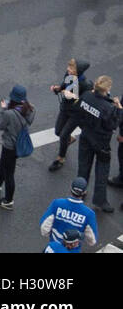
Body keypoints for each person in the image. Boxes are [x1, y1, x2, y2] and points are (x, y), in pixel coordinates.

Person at [61, 76, 121, 213]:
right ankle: (100, 201)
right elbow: (113, 124)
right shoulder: (108, 107)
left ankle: (80, 190)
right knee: (102, 171)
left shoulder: (87, 96)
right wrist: (119, 109)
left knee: (83, 166)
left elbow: (77, 111)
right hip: (101, 143)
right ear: (107, 89)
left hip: (86, 137)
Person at [0, 85, 34, 210]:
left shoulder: (9, 114)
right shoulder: (30, 109)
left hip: (9, 146)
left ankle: (8, 200)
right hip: (18, 145)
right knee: (4, 164)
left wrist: (3, 109)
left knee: (9, 173)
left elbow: (0, 125)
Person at [48, 58, 89, 172]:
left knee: (62, 135)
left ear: (78, 71)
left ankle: (61, 158)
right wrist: (58, 88)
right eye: (69, 67)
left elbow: (86, 100)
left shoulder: (84, 84)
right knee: (58, 132)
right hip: (65, 109)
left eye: (71, 68)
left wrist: (73, 96)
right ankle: (70, 139)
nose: (68, 69)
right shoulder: (69, 75)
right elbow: (64, 84)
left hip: (76, 114)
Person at [40, 179, 98, 249]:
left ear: (70, 189)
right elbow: (92, 241)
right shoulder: (89, 214)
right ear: (85, 192)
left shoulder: (57, 203)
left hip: (54, 247)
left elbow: (44, 229)